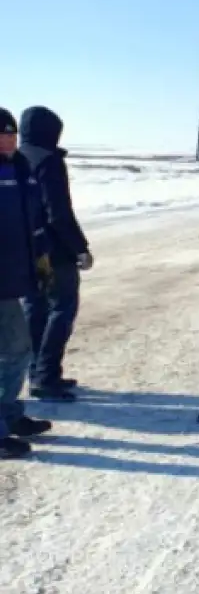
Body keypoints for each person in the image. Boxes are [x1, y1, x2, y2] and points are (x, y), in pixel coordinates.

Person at [18, 106, 93, 402]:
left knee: (35, 309)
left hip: (26, 250)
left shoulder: (15, 158)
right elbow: (58, 213)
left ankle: (38, 372)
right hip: (54, 251)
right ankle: (46, 377)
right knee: (61, 308)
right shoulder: (48, 161)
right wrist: (80, 248)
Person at [0, 107, 54, 460]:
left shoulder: (20, 168)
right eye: (3, 134)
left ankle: (8, 415)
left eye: (12, 133)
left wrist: (42, 260)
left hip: (10, 278)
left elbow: (34, 220)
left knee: (18, 350)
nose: (9, 139)